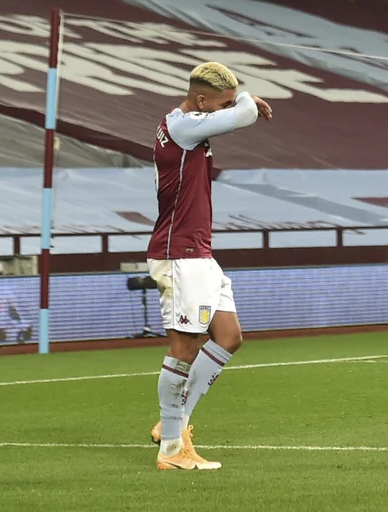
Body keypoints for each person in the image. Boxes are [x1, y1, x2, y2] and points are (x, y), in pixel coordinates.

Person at [148, 62, 273, 471]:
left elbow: (239, 113)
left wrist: (239, 100)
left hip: (199, 252)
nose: (221, 113)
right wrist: (243, 101)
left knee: (228, 336)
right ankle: (171, 448)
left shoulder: (190, 122)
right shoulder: (183, 128)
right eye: (216, 105)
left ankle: (175, 423)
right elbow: (243, 114)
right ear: (201, 101)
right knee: (184, 347)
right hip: (179, 253)